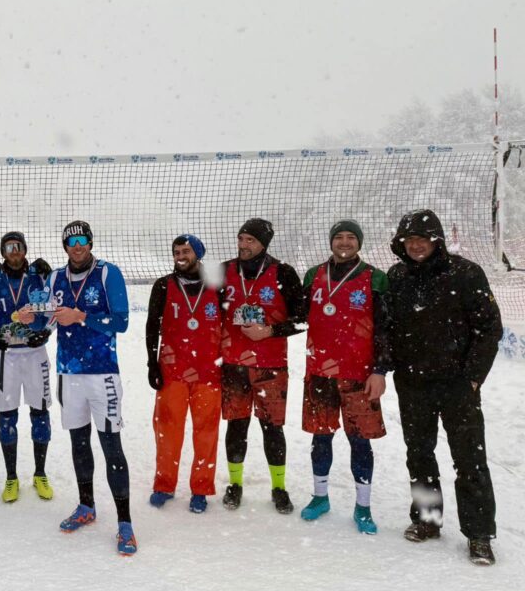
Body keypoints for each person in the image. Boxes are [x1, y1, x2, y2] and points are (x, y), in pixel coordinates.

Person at [387, 209, 502, 565]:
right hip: (413, 385)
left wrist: (472, 377)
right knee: (419, 455)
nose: (416, 246)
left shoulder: (466, 274)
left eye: (423, 239)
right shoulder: (397, 276)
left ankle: (479, 534)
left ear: (436, 240)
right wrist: (390, 368)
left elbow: (489, 329)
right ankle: (427, 520)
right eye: (409, 240)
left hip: (457, 386)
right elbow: (387, 328)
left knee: (469, 459)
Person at [48, 221, 136, 556]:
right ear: (65, 246)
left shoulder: (106, 273)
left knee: (111, 445)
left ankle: (125, 522)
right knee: (78, 441)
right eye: (71, 241)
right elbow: (48, 318)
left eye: (82, 239)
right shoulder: (55, 278)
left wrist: (82, 316)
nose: (77, 246)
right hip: (69, 374)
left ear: (90, 242)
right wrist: (33, 317)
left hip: (102, 375)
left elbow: (122, 322)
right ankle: (86, 505)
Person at [299, 220, 390, 534]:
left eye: (351, 237)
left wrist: (380, 369)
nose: (345, 242)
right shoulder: (313, 275)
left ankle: (363, 506)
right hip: (320, 372)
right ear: (331, 241)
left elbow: (384, 329)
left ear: (359, 242)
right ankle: (320, 497)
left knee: (359, 442)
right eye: (339, 236)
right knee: (320, 438)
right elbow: (297, 315)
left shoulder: (375, 278)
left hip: (358, 374)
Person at [219, 218, 305, 514]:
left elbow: (303, 319)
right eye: (241, 238)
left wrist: (270, 330)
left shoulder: (283, 272)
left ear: (264, 244)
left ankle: (279, 488)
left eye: (250, 240)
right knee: (236, 425)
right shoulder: (224, 271)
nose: (243, 245)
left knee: (272, 428)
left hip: (270, 365)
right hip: (233, 364)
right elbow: (209, 311)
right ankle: (235, 483)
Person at [145, 233, 221, 514]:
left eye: (186, 250)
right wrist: (151, 363)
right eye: (176, 251)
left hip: (208, 371)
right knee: (167, 431)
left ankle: (201, 488)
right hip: (173, 370)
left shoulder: (217, 283)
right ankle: (164, 484)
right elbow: (152, 325)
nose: (180, 255)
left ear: (197, 254)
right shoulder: (163, 285)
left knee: (206, 433)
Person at [0, 231, 54, 503]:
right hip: (7, 356)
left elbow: (53, 309)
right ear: (3, 251)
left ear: (25, 250)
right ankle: (11, 477)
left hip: (36, 353)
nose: (14, 251)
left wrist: (46, 332)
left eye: (19, 247)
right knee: (7, 416)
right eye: (9, 247)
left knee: (40, 413)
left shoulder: (40, 275)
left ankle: (39, 473)